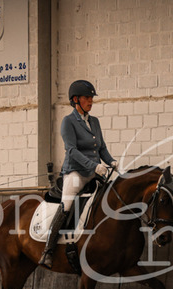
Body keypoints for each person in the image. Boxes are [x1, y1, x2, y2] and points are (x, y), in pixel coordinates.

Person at [39, 80, 118, 269]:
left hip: (95, 171)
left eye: (91, 98)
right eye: (87, 98)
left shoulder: (94, 121)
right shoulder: (68, 122)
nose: (91, 101)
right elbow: (72, 150)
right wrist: (94, 166)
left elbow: (102, 148)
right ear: (76, 100)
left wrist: (111, 161)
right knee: (66, 206)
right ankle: (48, 251)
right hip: (76, 173)